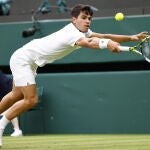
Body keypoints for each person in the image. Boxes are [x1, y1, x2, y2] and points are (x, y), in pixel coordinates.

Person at [0, 4, 148, 146]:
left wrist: (131, 38)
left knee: (16, 95)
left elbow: (102, 35)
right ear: (74, 19)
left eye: (89, 18)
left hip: (29, 59)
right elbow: (90, 42)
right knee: (31, 100)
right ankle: (1, 125)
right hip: (23, 59)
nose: (87, 21)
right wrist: (107, 44)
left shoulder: (82, 31)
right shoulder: (72, 34)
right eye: (84, 17)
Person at [0, 70, 23, 137]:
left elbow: (5, 84)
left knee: (10, 108)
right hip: (6, 90)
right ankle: (17, 130)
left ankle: (17, 130)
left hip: (8, 89)